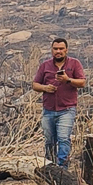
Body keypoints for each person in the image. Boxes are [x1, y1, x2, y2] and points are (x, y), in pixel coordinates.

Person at [31, 36, 85, 166]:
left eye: (61, 49)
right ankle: (50, 167)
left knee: (63, 139)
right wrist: (45, 88)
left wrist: (68, 80)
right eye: (55, 49)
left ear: (66, 50)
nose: (58, 51)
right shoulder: (45, 65)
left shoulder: (74, 64)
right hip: (48, 110)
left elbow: (82, 83)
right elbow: (34, 85)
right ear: (51, 50)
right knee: (49, 141)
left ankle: (62, 168)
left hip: (66, 109)